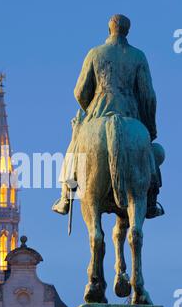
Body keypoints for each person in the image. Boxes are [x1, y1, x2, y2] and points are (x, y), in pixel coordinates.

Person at [52, 14, 164, 218]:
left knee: (73, 152)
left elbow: (79, 92)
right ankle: (151, 201)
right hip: (131, 116)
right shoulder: (138, 56)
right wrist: (149, 128)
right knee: (151, 156)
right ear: (127, 31)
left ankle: (65, 197)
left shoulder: (95, 53)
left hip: (98, 112)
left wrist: (91, 112)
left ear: (109, 29)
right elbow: (148, 96)